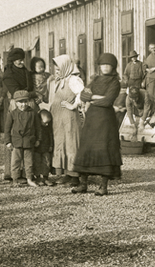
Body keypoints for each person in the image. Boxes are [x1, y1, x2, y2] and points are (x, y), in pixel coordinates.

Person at [73, 53, 122, 196]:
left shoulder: (115, 82)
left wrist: (92, 98)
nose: (105, 67)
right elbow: (83, 95)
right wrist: (96, 97)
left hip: (106, 121)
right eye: (103, 65)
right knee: (86, 148)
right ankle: (83, 184)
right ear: (99, 66)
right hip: (91, 119)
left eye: (108, 65)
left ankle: (103, 186)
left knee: (104, 149)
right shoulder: (94, 80)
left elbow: (108, 101)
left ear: (113, 67)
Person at [48, 55, 84, 186]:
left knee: (71, 143)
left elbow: (83, 94)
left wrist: (73, 105)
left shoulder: (74, 80)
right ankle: (65, 173)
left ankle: (74, 176)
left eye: (59, 68)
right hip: (58, 117)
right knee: (60, 143)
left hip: (69, 117)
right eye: (56, 69)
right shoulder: (58, 80)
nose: (56, 71)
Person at [4, 90, 40, 187]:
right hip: (16, 142)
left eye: (25, 102)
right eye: (20, 102)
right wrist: (7, 141)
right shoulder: (12, 114)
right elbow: (7, 129)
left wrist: (38, 139)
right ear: (16, 102)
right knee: (15, 162)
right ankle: (15, 179)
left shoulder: (32, 113)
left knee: (29, 162)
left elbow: (38, 127)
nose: (23, 104)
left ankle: (29, 179)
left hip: (29, 141)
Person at [36, 109, 55, 186]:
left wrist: (51, 145)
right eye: (45, 122)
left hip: (46, 148)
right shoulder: (36, 128)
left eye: (48, 122)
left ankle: (45, 177)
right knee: (37, 162)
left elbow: (50, 136)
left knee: (46, 162)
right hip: (37, 148)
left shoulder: (48, 128)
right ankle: (37, 177)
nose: (47, 124)